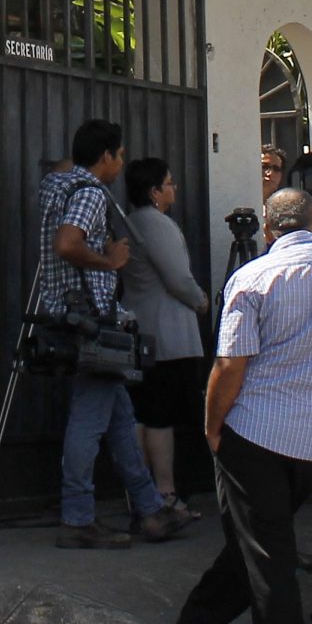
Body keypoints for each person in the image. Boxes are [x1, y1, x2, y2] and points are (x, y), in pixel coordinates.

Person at [173, 189, 312, 624]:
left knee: (267, 553)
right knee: (256, 539)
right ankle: (197, 619)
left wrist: (212, 426)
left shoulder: (254, 277)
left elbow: (230, 365)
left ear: (270, 231)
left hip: (256, 432)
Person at [36, 119, 195, 549]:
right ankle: (77, 518)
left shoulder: (56, 185)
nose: (121, 165)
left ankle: (150, 510)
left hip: (70, 315)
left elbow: (64, 171)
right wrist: (110, 261)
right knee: (88, 421)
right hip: (91, 320)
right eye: (119, 155)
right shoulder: (89, 193)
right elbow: (67, 244)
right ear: (105, 156)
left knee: (122, 419)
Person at [123, 156, 213, 518]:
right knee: (161, 416)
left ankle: (143, 493)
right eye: (169, 183)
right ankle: (165, 492)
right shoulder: (157, 224)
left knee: (143, 413)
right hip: (168, 336)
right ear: (154, 191)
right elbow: (177, 278)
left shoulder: (128, 223)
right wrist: (201, 301)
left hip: (142, 328)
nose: (174, 188)